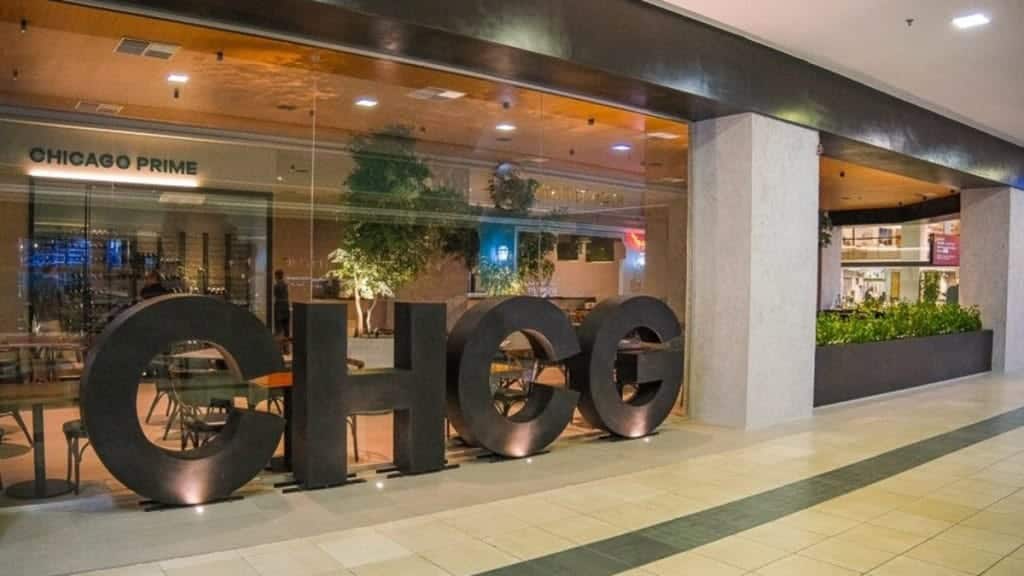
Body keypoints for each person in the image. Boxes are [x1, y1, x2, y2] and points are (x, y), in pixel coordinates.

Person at [32, 264, 64, 334]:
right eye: (56, 270)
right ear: (52, 270)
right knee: (53, 339)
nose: (57, 272)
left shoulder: (36, 284)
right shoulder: (57, 283)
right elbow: (62, 301)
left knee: (42, 339)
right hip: (53, 319)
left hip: (40, 319)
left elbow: (34, 302)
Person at [273, 269, 290, 338]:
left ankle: (280, 339)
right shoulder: (285, 285)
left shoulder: (276, 286)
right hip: (285, 306)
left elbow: (275, 295)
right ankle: (285, 338)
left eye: (275, 276)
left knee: (279, 326)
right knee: (285, 325)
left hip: (279, 307)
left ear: (277, 276)